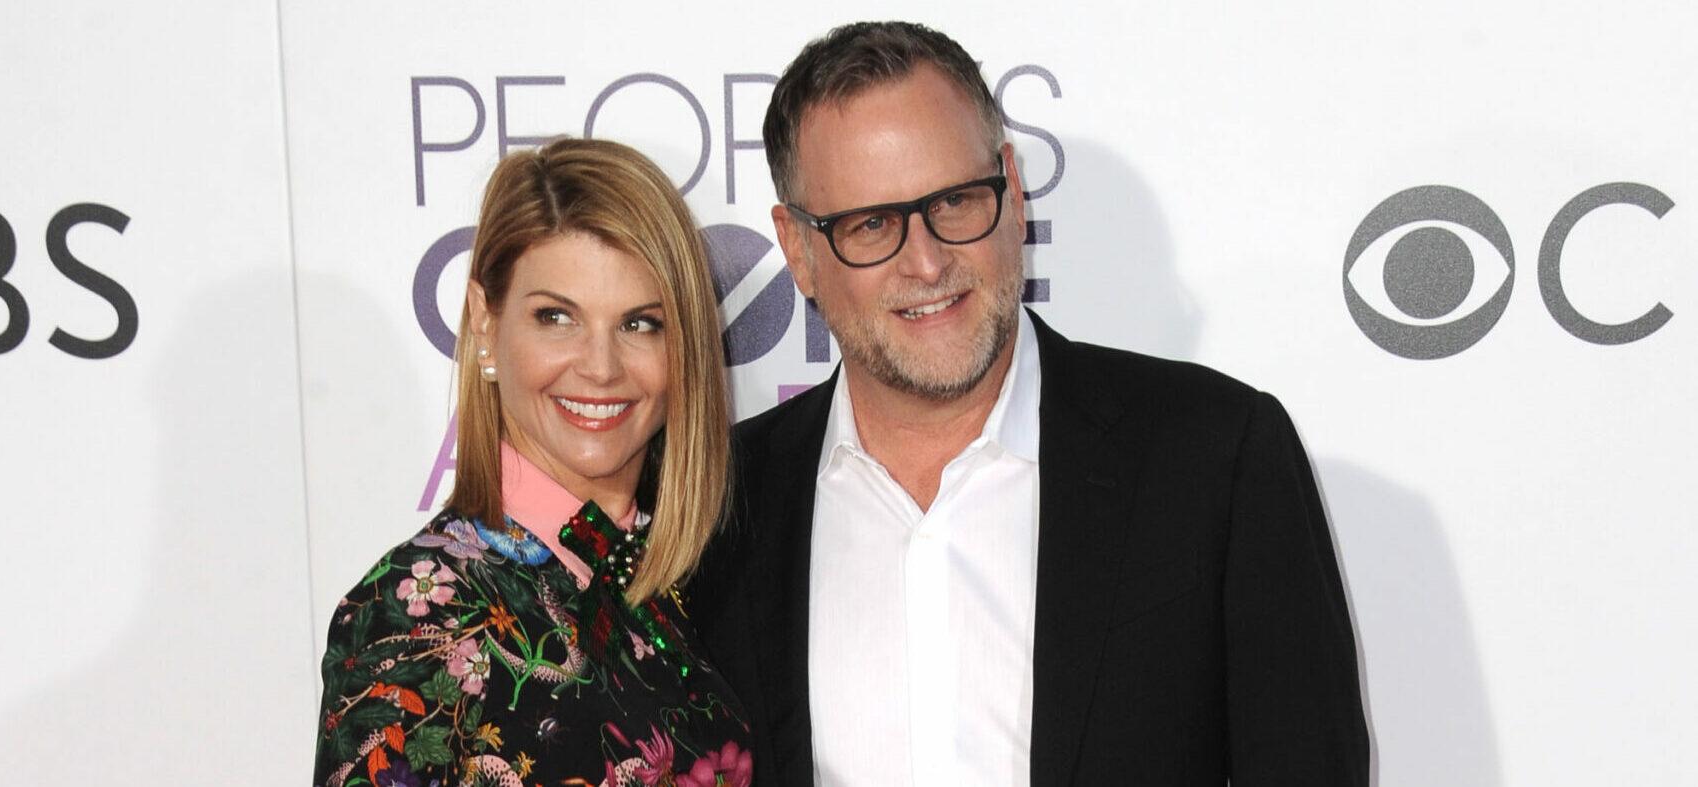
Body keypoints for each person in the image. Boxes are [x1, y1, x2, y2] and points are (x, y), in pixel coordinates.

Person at [686, 21, 1368, 786]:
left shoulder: (1216, 458)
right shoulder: (714, 505)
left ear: (1011, 190)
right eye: (871, 224)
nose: (928, 259)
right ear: (800, 251)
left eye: (956, 200)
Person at [314, 137, 752, 787]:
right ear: (484, 325)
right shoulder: (416, 610)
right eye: (557, 317)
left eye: (640, 324)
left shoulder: (674, 589)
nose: (601, 366)